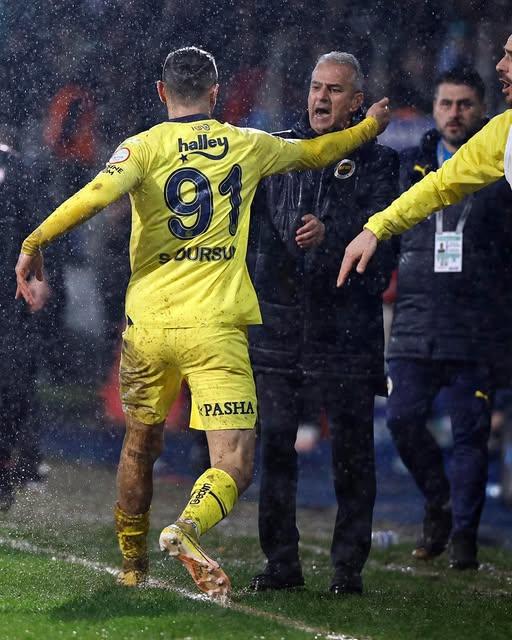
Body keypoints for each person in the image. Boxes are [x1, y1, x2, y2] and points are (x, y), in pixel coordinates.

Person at [15, 47, 390, 597]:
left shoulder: (140, 147)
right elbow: (321, 151)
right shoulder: (247, 143)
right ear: (216, 95)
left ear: (162, 93)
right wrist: (369, 127)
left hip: (149, 325)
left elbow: (92, 198)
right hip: (215, 327)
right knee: (234, 460)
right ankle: (187, 526)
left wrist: (35, 241)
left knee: (139, 446)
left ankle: (132, 565)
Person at [248, 52, 398, 595]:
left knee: (352, 454)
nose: (320, 98)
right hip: (282, 326)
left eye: (335, 91)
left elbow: (384, 256)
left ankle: (347, 570)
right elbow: (257, 243)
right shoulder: (280, 151)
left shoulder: (380, 164)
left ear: (358, 103)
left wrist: (329, 239)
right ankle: (282, 563)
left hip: (347, 329)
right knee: (277, 446)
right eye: (315, 87)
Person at [383, 67, 512, 569]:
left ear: (482, 110)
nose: (454, 113)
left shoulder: (502, 162)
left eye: (464, 104)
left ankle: (464, 537)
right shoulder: (412, 163)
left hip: (478, 323)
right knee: (402, 420)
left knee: (470, 437)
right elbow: (392, 233)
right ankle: (439, 501)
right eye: (446, 103)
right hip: (417, 318)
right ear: (434, 109)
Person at [337, 33, 512, 288]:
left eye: (511, 56)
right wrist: (376, 228)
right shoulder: (504, 133)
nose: (500, 65)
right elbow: (440, 185)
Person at [0, 139, 50, 511]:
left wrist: (40, 277)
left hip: (9, 295)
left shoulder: (14, 167)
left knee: (12, 384)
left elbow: (37, 227)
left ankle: (7, 470)